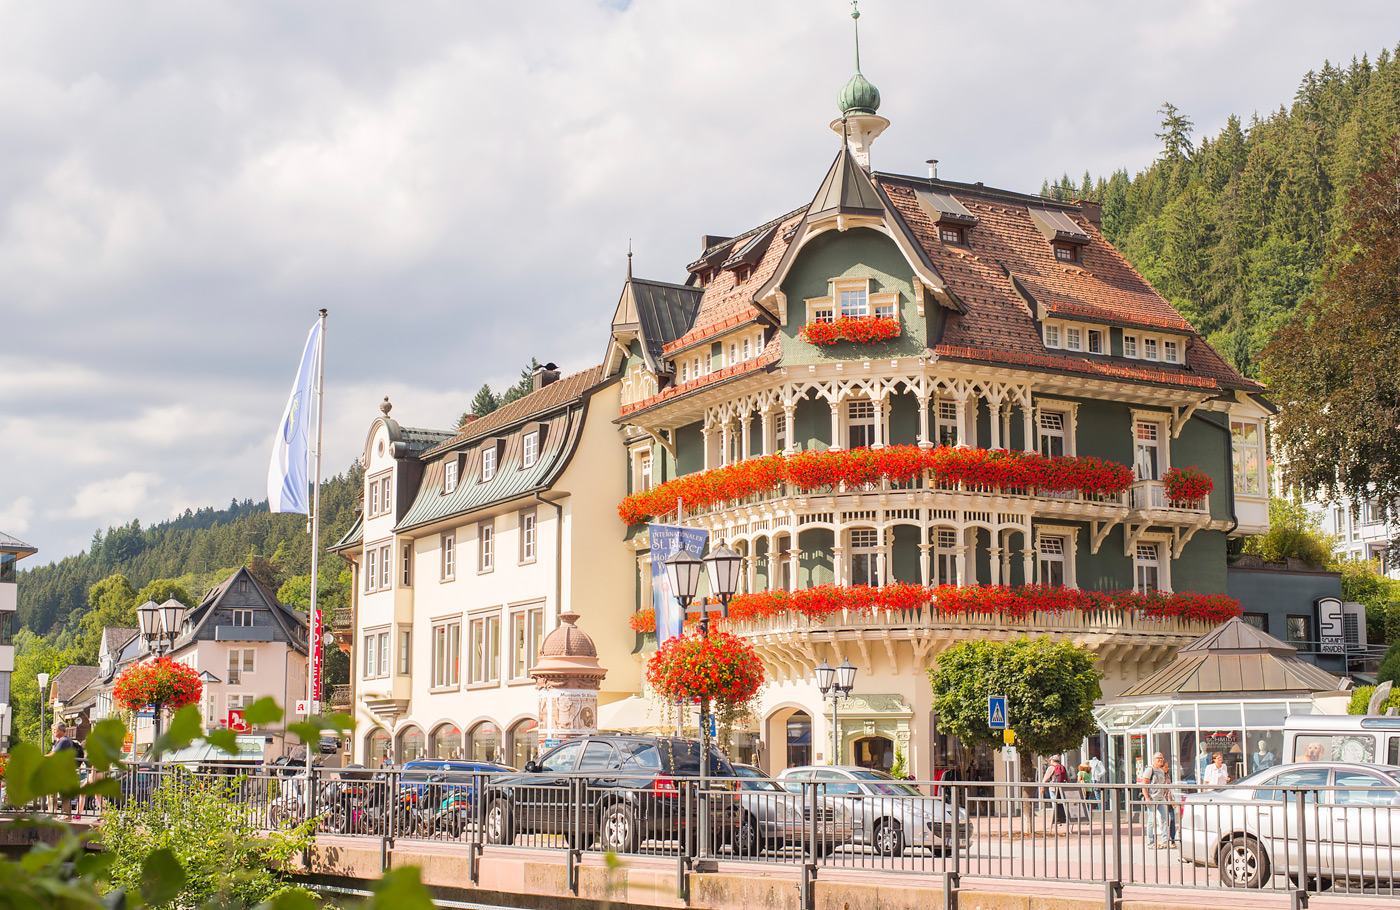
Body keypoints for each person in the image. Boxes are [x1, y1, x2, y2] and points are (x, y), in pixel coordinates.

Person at [46, 723, 84, 817]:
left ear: (61, 731)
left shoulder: (64, 741)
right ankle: (53, 813)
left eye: (55, 730)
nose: (54, 732)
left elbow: (53, 754)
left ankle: (65, 815)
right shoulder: (59, 741)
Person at [1140, 752, 1171, 848]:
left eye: (1162, 758)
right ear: (1153, 759)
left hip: (1161, 797)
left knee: (1166, 818)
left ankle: (1165, 840)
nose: (1160, 760)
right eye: (1158, 758)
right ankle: (1151, 842)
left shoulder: (1161, 771)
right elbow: (1144, 784)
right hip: (1152, 797)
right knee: (1151, 820)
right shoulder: (1150, 770)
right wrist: (1147, 798)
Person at [1042, 755, 1070, 824]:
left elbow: (1045, 779)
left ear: (1052, 761)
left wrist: (1042, 787)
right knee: (1061, 803)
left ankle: (1056, 819)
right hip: (1062, 788)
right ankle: (1063, 818)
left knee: (1054, 803)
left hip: (1053, 788)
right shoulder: (1062, 767)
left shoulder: (1051, 768)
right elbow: (1068, 779)